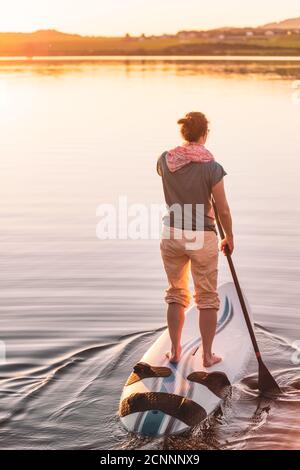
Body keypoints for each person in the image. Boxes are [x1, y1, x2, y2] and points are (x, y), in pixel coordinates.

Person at [157, 111, 234, 368]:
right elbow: (222, 209)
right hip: (201, 237)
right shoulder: (212, 168)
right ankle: (208, 355)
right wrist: (229, 236)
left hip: (172, 235)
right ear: (205, 134)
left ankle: (176, 352)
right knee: (207, 297)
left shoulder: (164, 161)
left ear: (183, 134)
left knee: (176, 294)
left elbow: (174, 180)